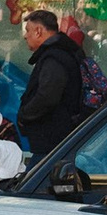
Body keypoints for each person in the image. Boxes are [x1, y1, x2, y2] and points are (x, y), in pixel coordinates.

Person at [15, 9, 92, 160]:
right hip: (56, 142)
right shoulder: (59, 54)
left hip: (52, 144)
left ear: (38, 31)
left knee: (35, 182)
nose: (25, 36)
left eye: (28, 30)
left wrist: (24, 115)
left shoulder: (54, 58)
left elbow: (47, 96)